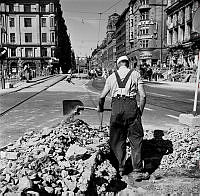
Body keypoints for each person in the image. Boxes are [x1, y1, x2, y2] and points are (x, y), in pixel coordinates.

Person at [97, 56, 149, 180]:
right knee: (136, 139)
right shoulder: (135, 74)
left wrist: (100, 107)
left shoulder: (111, 77)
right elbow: (143, 96)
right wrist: (139, 112)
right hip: (131, 106)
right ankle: (137, 171)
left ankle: (120, 169)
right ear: (128, 63)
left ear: (118, 64)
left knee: (117, 139)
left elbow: (101, 97)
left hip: (116, 107)